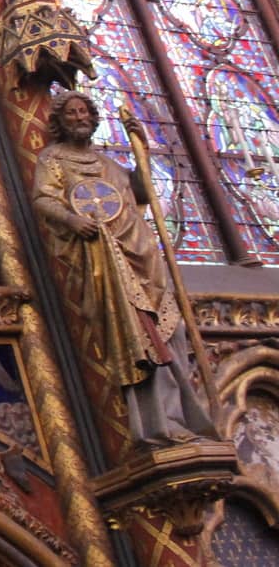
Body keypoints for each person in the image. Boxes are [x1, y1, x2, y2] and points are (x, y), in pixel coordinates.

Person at [32, 90, 216, 446]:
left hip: (143, 257)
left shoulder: (108, 164)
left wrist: (141, 150)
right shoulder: (53, 159)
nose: (79, 117)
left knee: (170, 332)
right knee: (139, 338)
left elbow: (142, 193)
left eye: (85, 111)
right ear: (60, 120)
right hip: (107, 264)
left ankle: (185, 415)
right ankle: (159, 424)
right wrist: (71, 220)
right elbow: (43, 199)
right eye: (71, 112)